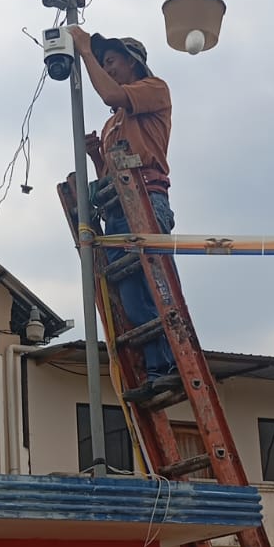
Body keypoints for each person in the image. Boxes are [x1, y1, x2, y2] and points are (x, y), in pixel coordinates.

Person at [68, 26, 177, 389]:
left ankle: (168, 364)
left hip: (146, 200)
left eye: (111, 61)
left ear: (133, 62)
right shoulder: (112, 123)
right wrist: (97, 157)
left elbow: (110, 94)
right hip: (119, 208)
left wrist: (85, 49)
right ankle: (156, 369)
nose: (108, 68)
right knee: (130, 298)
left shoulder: (153, 89)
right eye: (103, 63)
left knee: (151, 286)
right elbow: (111, 175)